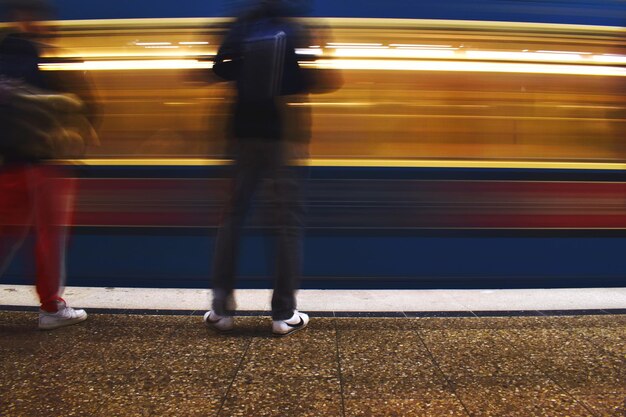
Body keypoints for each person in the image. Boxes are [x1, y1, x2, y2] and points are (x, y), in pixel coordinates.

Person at [204, 0, 329, 336]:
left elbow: (219, 70)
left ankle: (221, 310)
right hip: (282, 135)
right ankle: (282, 314)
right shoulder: (295, 27)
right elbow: (313, 81)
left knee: (231, 218)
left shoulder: (240, 25)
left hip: (241, 134)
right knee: (286, 225)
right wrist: (322, 48)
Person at [0, 0, 88, 330]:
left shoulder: (5, 55)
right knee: (49, 239)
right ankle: (52, 307)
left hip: (8, 164)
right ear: (30, 18)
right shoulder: (34, 59)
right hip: (42, 165)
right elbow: (61, 106)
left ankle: (52, 306)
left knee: (4, 235)